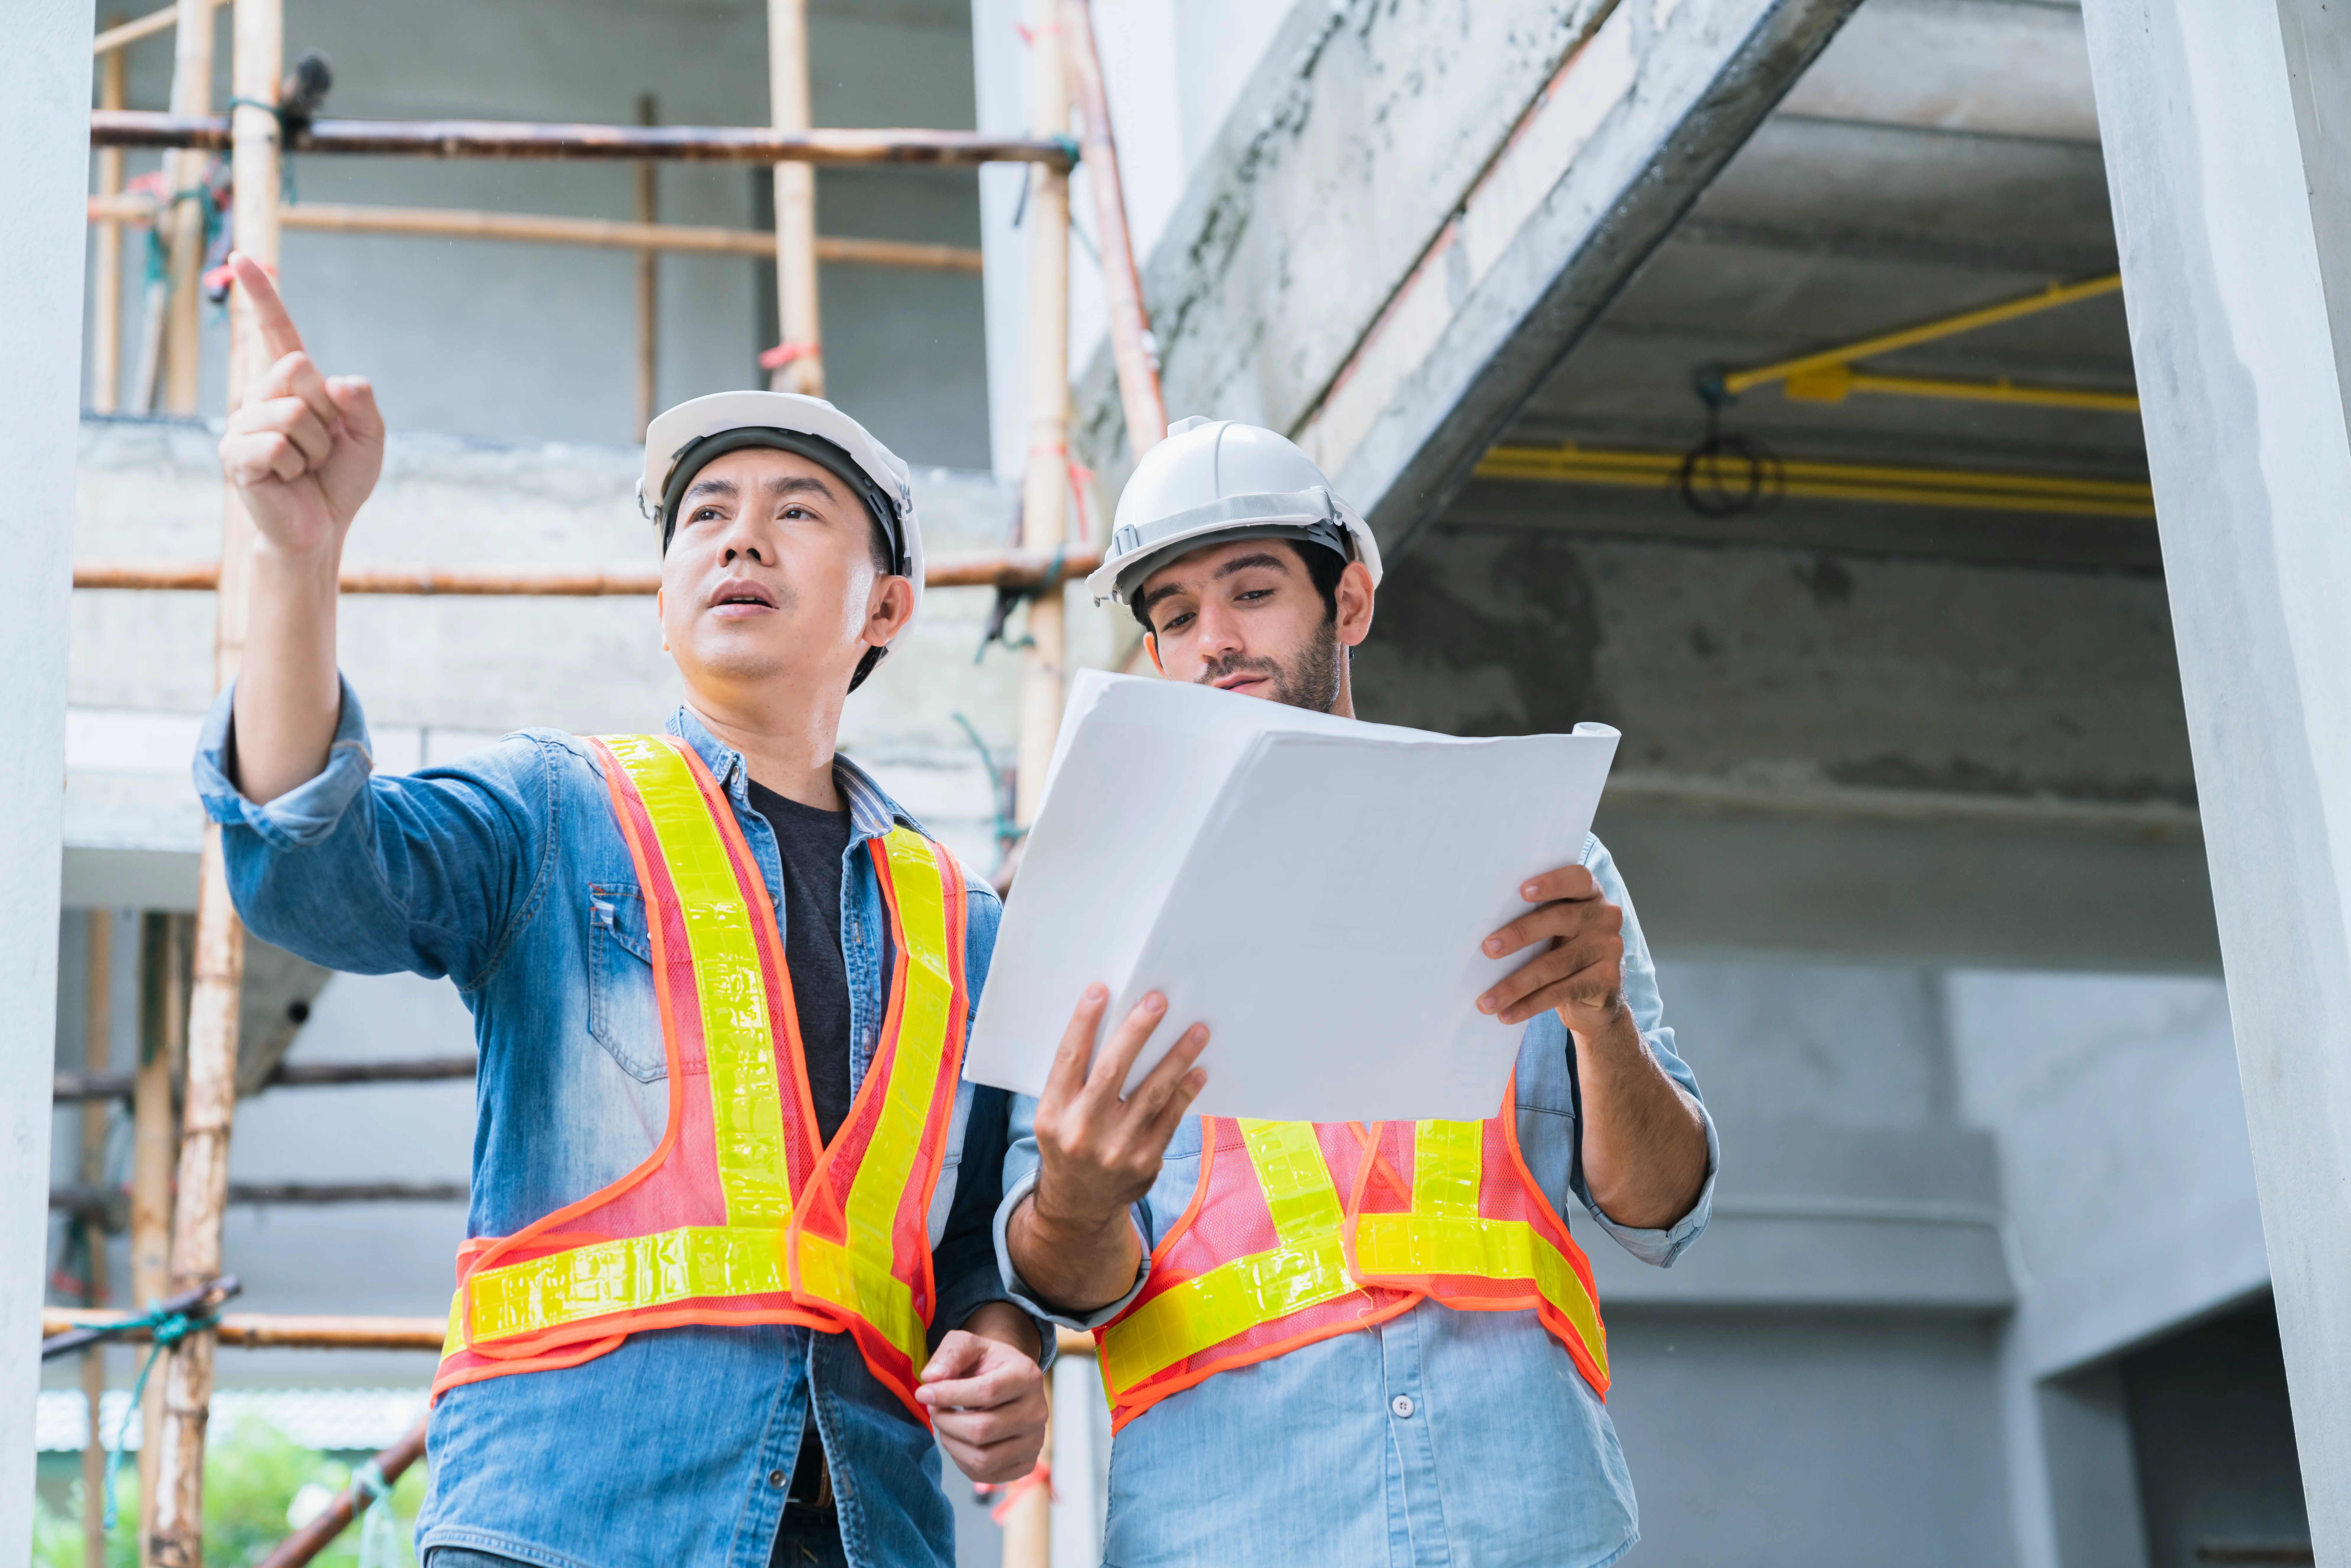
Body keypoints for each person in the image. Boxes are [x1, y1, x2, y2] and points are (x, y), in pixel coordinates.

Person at [200, 253, 1047, 1568]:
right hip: (563, 1526)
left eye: (797, 510)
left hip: (863, 1533)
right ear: (663, 606)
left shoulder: (962, 926)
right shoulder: (555, 812)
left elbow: (988, 1242)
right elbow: (318, 873)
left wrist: (1004, 1354)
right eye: (705, 514)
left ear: (887, 606)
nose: (740, 537)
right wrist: (294, 560)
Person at [995, 417, 1717, 1567]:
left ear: (1351, 602)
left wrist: (1602, 1022)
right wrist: (1076, 1204)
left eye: (1252, 592)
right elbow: (1058, 1287)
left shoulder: (1535, 856)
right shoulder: (1088, 911)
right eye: (1174, 617)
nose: (1215, 641)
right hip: (1227, 1534)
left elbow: (1661, 1210)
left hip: (1521, 1522)